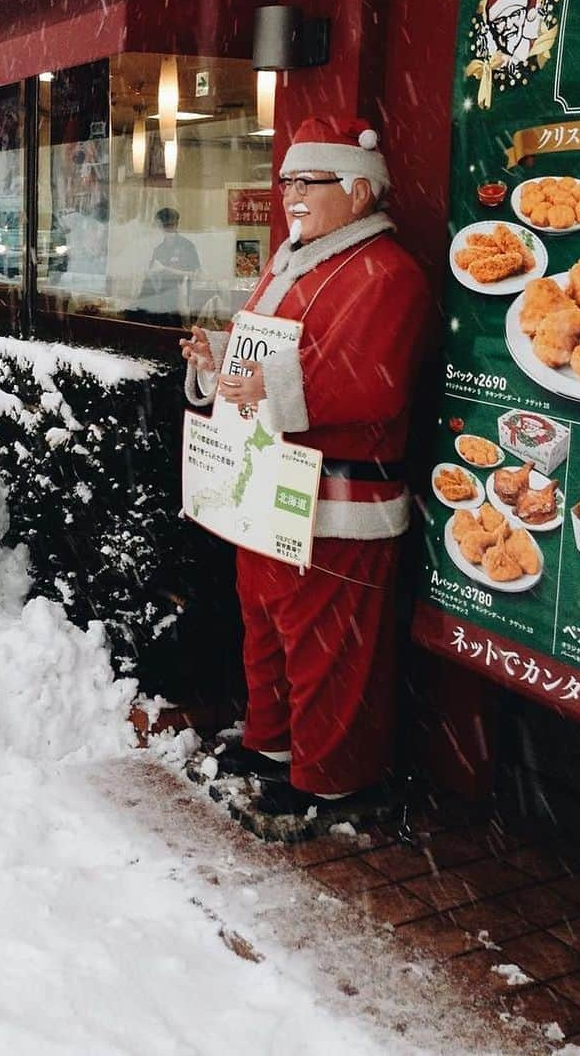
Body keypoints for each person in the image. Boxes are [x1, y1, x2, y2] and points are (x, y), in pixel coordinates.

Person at [181, 115, 431, 821]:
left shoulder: (388, 272)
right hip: (267, 484)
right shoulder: (290, 261)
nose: (290, 193)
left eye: (307, 181)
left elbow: (370, 379)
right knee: (266, 625)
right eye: (287, 178)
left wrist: (267, 381)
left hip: (337, 497)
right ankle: (274, 743)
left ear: (357, 190)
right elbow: (267, 351)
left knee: (329, 647)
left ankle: (331, 776)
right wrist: (217, 357)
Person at [129, 207, 201, 325]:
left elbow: (196, 275)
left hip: (178, 298)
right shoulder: (159, 249)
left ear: (176, 225)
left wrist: (167, 270)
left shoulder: (187, 247)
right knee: (136, 310)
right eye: (164, 226)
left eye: (170, 226)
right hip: (158, 298)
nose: (166, 229)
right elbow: (152, 273)